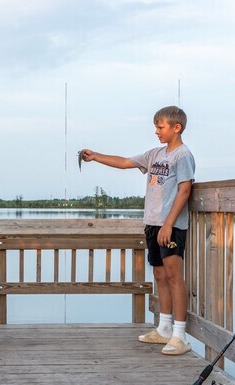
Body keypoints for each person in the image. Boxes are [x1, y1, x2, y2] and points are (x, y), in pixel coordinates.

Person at [81, 106, 195, 356]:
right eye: (156, 127)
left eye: (161, 127)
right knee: (159, 275)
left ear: (177, 128)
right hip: (153, 224)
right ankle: (164, 328)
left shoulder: (183, 156)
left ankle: (179, 335)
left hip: (171, 226)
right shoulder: (155, 154)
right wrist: (95, 156)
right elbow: (125, 162)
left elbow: (185, 191)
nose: (156, 131)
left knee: (175, 277)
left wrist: (168, 223)